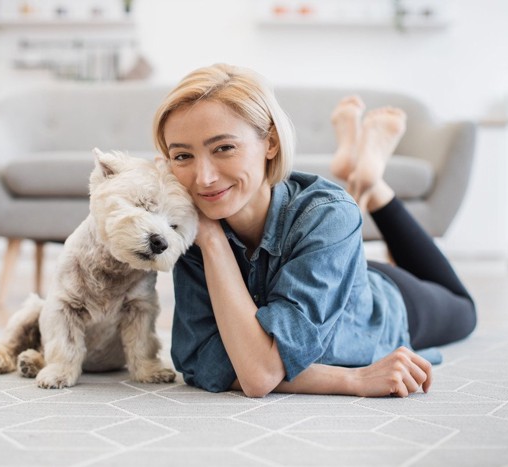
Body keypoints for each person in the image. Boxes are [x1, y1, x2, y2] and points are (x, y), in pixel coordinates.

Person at [152, 63, 476, 398]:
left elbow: (257, 373)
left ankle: (373, 184)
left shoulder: (328, 214)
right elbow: (201, 362)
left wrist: (212, 243)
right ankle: (360, 169)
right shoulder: (192, 227)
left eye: (224, 148)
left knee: (465, 313)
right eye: (182, 156)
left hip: (381, 299)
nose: (203, 178)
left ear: (271, 143)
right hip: (322, 263)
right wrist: (352, 380)